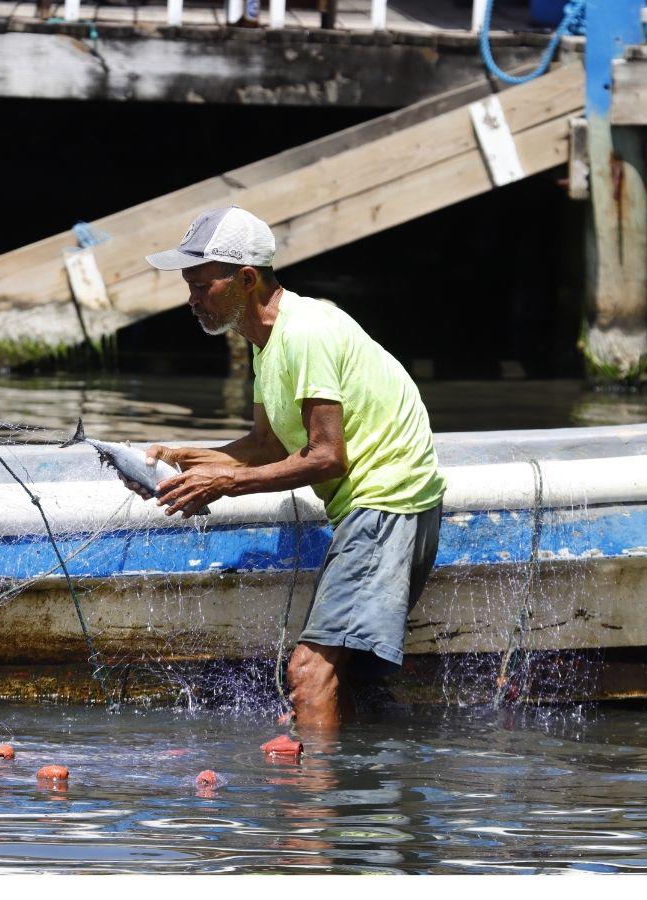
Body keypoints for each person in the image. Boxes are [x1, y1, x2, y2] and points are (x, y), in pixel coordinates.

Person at [139, 206, 445, 732]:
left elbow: (327, 455)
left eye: (201, 286)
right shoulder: (266, 344)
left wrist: (225, 482)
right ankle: (342, 790)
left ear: (247, 279)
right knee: (336, 677)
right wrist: (175, 460)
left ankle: (316, 805)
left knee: (308, 670)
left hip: (388, 502)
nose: (190, 301)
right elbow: (266, 444)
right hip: (372, 506)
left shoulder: (305, 332)